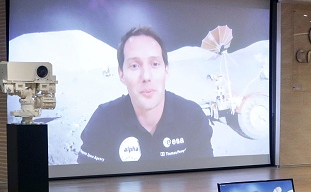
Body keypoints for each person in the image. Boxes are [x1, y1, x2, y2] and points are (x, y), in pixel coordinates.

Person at [78, 26, 214, 163]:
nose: (146, 76)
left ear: (166, 69)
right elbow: (88, 182)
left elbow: (205, 179)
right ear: (121, 74)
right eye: (134, 66)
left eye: (154, 64)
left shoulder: (192, 117)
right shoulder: (103, 121)